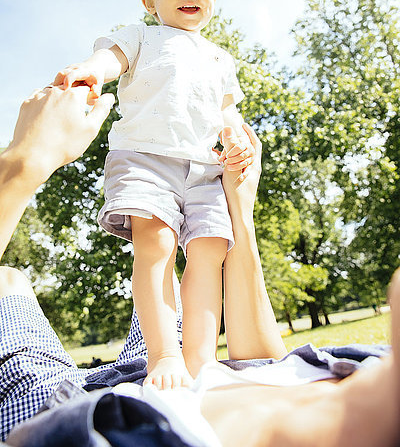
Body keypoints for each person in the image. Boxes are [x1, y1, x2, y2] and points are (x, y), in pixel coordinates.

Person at [1, 84, 400, 446]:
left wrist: (24, 163)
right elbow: (260, 361)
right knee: (171, 282)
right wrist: (239, 206)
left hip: (64, 407)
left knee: (8, 281)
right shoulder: (370, 365)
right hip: (178, 367)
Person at [52, 0, 255, 389]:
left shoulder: (221, 59)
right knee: (156, 244)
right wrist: (91, 68)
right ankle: (164, 356)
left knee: (211, 251)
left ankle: (200, 359)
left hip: (204, 169)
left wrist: (236, 137)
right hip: (146, 159)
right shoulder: (142, 35)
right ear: (150, 1)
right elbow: (111, 58)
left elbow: (226, 112)